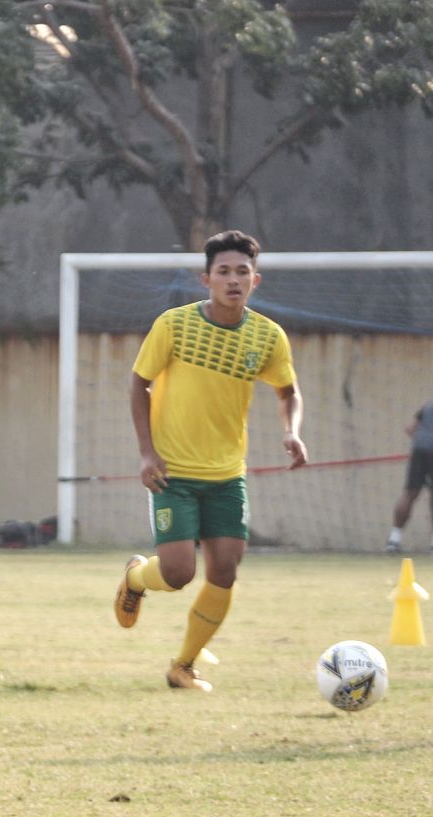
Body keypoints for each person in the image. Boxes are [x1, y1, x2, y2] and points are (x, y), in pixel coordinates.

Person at [114, 229, 308, 692]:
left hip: (226, 476)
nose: (233, 279)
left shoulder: (267, 336)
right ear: (207, 279)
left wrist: (291, 431)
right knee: (179, 573)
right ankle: (137, 578)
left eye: (242, 271)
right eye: (224, 271)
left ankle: (183, 665)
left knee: (225, 572)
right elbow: (138, 384)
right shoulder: (175, 325)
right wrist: (146, 452)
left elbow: (288, 391)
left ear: (255, 280)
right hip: (172, 472)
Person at [387, 401, 433, 554]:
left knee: (410, 493)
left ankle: (394, 540)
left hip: (419, 449)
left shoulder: (428, 406)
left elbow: (410, 428)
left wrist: (423, 442)